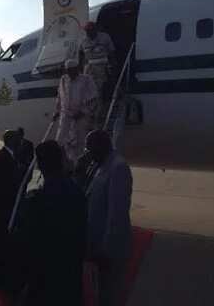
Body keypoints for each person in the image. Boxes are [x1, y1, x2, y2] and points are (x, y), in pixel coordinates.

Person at [10, 140, 87, 306]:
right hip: (69, 274)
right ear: (60, 161)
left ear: (41, 166)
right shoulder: (77, 193)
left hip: (43, 279)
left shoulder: (35, 200)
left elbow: (22, 243)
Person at [85, 130, 132, 306]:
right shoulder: (104, 164)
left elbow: (117, 215)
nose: (88, 153)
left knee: (110, 295)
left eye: (89, 149)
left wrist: (107, 251)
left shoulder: (118, 168)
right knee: (101, 294)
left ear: (101, 146)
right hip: (99, 247)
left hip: (109, 251)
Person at [0, 130, 25, 287]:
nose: (21, 141)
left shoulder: (16, 157)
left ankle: (3, 273)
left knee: (6, 243)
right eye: (18, 139)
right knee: (0, 241)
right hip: (1, 208)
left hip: (11, 207)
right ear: (11, 141)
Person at [53, 59, 98, 165]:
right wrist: (57, 111)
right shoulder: (64, 79)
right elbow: (60, 97)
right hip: (66, 116)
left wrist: (83, 111)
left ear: (77, 69)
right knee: (61, 140)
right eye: (68, 71)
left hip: (81, 116)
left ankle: (78, 164)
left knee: (80, 141)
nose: (70, 73)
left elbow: (93, 98)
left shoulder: (86, 79)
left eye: (72, 70)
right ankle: (61, 163)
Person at [80, 22, 117, 126]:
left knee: (98, 92)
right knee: (89, 93)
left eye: (90, 30)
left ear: (95, 30)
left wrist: (113, 67)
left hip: (102, 67)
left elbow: (111, 52)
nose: (88, 33)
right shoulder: (83, 41)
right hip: (89, 70)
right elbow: (82, 56)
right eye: (86, 31)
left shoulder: (104, 37)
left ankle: (98, 116)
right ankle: (92, 114)